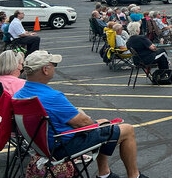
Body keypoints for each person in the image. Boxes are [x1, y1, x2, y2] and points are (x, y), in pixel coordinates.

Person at [14, 50, 149, 178]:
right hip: (62, 146)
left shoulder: (19, 95)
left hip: (43, 146)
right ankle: (134, 175)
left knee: (104, 123)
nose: (55, 68)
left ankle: (105, 173)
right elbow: (83, 122)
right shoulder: (52, 97)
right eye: (54, 65)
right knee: (127, 130)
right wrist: (97, 125)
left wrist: (99, 125)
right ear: (45, 69)